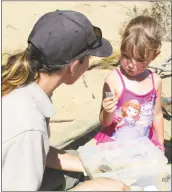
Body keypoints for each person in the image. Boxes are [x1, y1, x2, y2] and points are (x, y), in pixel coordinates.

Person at [2, 10, 129, 191]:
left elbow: (38, 152)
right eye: (89, 57)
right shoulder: (29, 125)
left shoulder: (21, 82)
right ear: (74, 66)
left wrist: (84, 165)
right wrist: (94, 188)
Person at [94, 15, 165, 151]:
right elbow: (105, 122)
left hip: (143, 142)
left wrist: (160, 144)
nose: (131, 65)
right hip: (116, 144)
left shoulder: (155, 81)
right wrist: (107, 110)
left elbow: (157, 115)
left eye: (139, 59)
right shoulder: (113, 80)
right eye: (126, 56)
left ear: (154, 56)